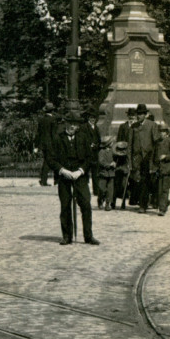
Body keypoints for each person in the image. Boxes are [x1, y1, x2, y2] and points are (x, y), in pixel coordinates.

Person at [48, 110, 99, 245]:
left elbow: (89, 158)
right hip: (64, 176)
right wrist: (62, 170)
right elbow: (51, 159)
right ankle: (67, 236)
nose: (72, 127)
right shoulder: (58, 138)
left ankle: (88, 236)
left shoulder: (83, 138)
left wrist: (81, 171)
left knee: (86, 204)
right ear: (66, 124)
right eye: (70, 123)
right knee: (65, 206)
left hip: (79, 176)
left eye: (75, 124)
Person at [130, 104, 161, 212]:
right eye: (137, 114)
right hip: (137, 159)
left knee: (150, 181)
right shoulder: (134, 127)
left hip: (149, 158)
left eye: (141, 114)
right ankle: (143, 204)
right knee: (140, 182)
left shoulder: (152, 125)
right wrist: (130, 161)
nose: (138, 116)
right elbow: (130, 145)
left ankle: (153, 202)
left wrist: (155, 159)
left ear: (145, 115)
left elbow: (157, 143)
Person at [154, 124, 170, 215]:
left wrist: (166, 157)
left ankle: (162, 209)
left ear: (166, 133)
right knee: (158, 190)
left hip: (166, 168)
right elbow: (153, 155)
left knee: (164, 189)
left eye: (163, 132)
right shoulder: (157, 142)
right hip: (158, 169)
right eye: (160, 131)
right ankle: (165, 203)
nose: (161, 133)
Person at [34, 102, 58, 186]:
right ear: (52, 111)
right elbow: (54, 134)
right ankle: (54, 180)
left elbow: (38, 133)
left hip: (43, 144)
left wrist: (36, 145)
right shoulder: (53, 120)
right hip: (51, 144)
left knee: (47, 161)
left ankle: (44, 180)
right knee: (52, 161)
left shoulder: (41, 120)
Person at [96, 136, 116, 210]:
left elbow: (116, 158)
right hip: (103, 173)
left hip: (111, 173)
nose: (113, 144)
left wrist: (115, 163)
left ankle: (108, 204)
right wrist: (109, 164)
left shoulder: (112, 151)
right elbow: (101, 162)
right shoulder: (101, 152)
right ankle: (100, 200)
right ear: (108, 144)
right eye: (111, 142)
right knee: (102, 189)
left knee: (110, 190)